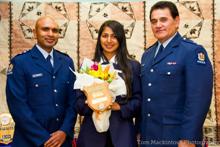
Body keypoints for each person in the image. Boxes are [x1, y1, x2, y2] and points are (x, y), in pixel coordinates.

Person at [139, 1, 213, 147]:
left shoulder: (192, 51)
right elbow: (146, 98)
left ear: (177, 21)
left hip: (177, 138)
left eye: (163, 19)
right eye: (154, 21)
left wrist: (188, 139)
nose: (158, 25)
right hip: (149, 137)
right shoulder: (147, 55)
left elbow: (198, 100)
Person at [6, 16, 77, 147]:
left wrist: (64, 131)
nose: (51, 34)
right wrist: (43, 139)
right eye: (45, 29)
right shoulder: (20, 62)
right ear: (35, 33)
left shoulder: (67, 61)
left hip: (62, 141)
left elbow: (73, 102)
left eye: (55, 30)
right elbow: (18, 106)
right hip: (30, 141)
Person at [75, 20, 142, 147]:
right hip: (91, 135)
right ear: (99, 38)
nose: (109, 40)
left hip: (123, 135)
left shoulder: (133, 66)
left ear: (121, 39)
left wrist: (119, 107)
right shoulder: (88, 66)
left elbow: (138, 101)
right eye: (105, 36)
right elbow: (78, 103)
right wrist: (91, 104)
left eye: (114, 36)